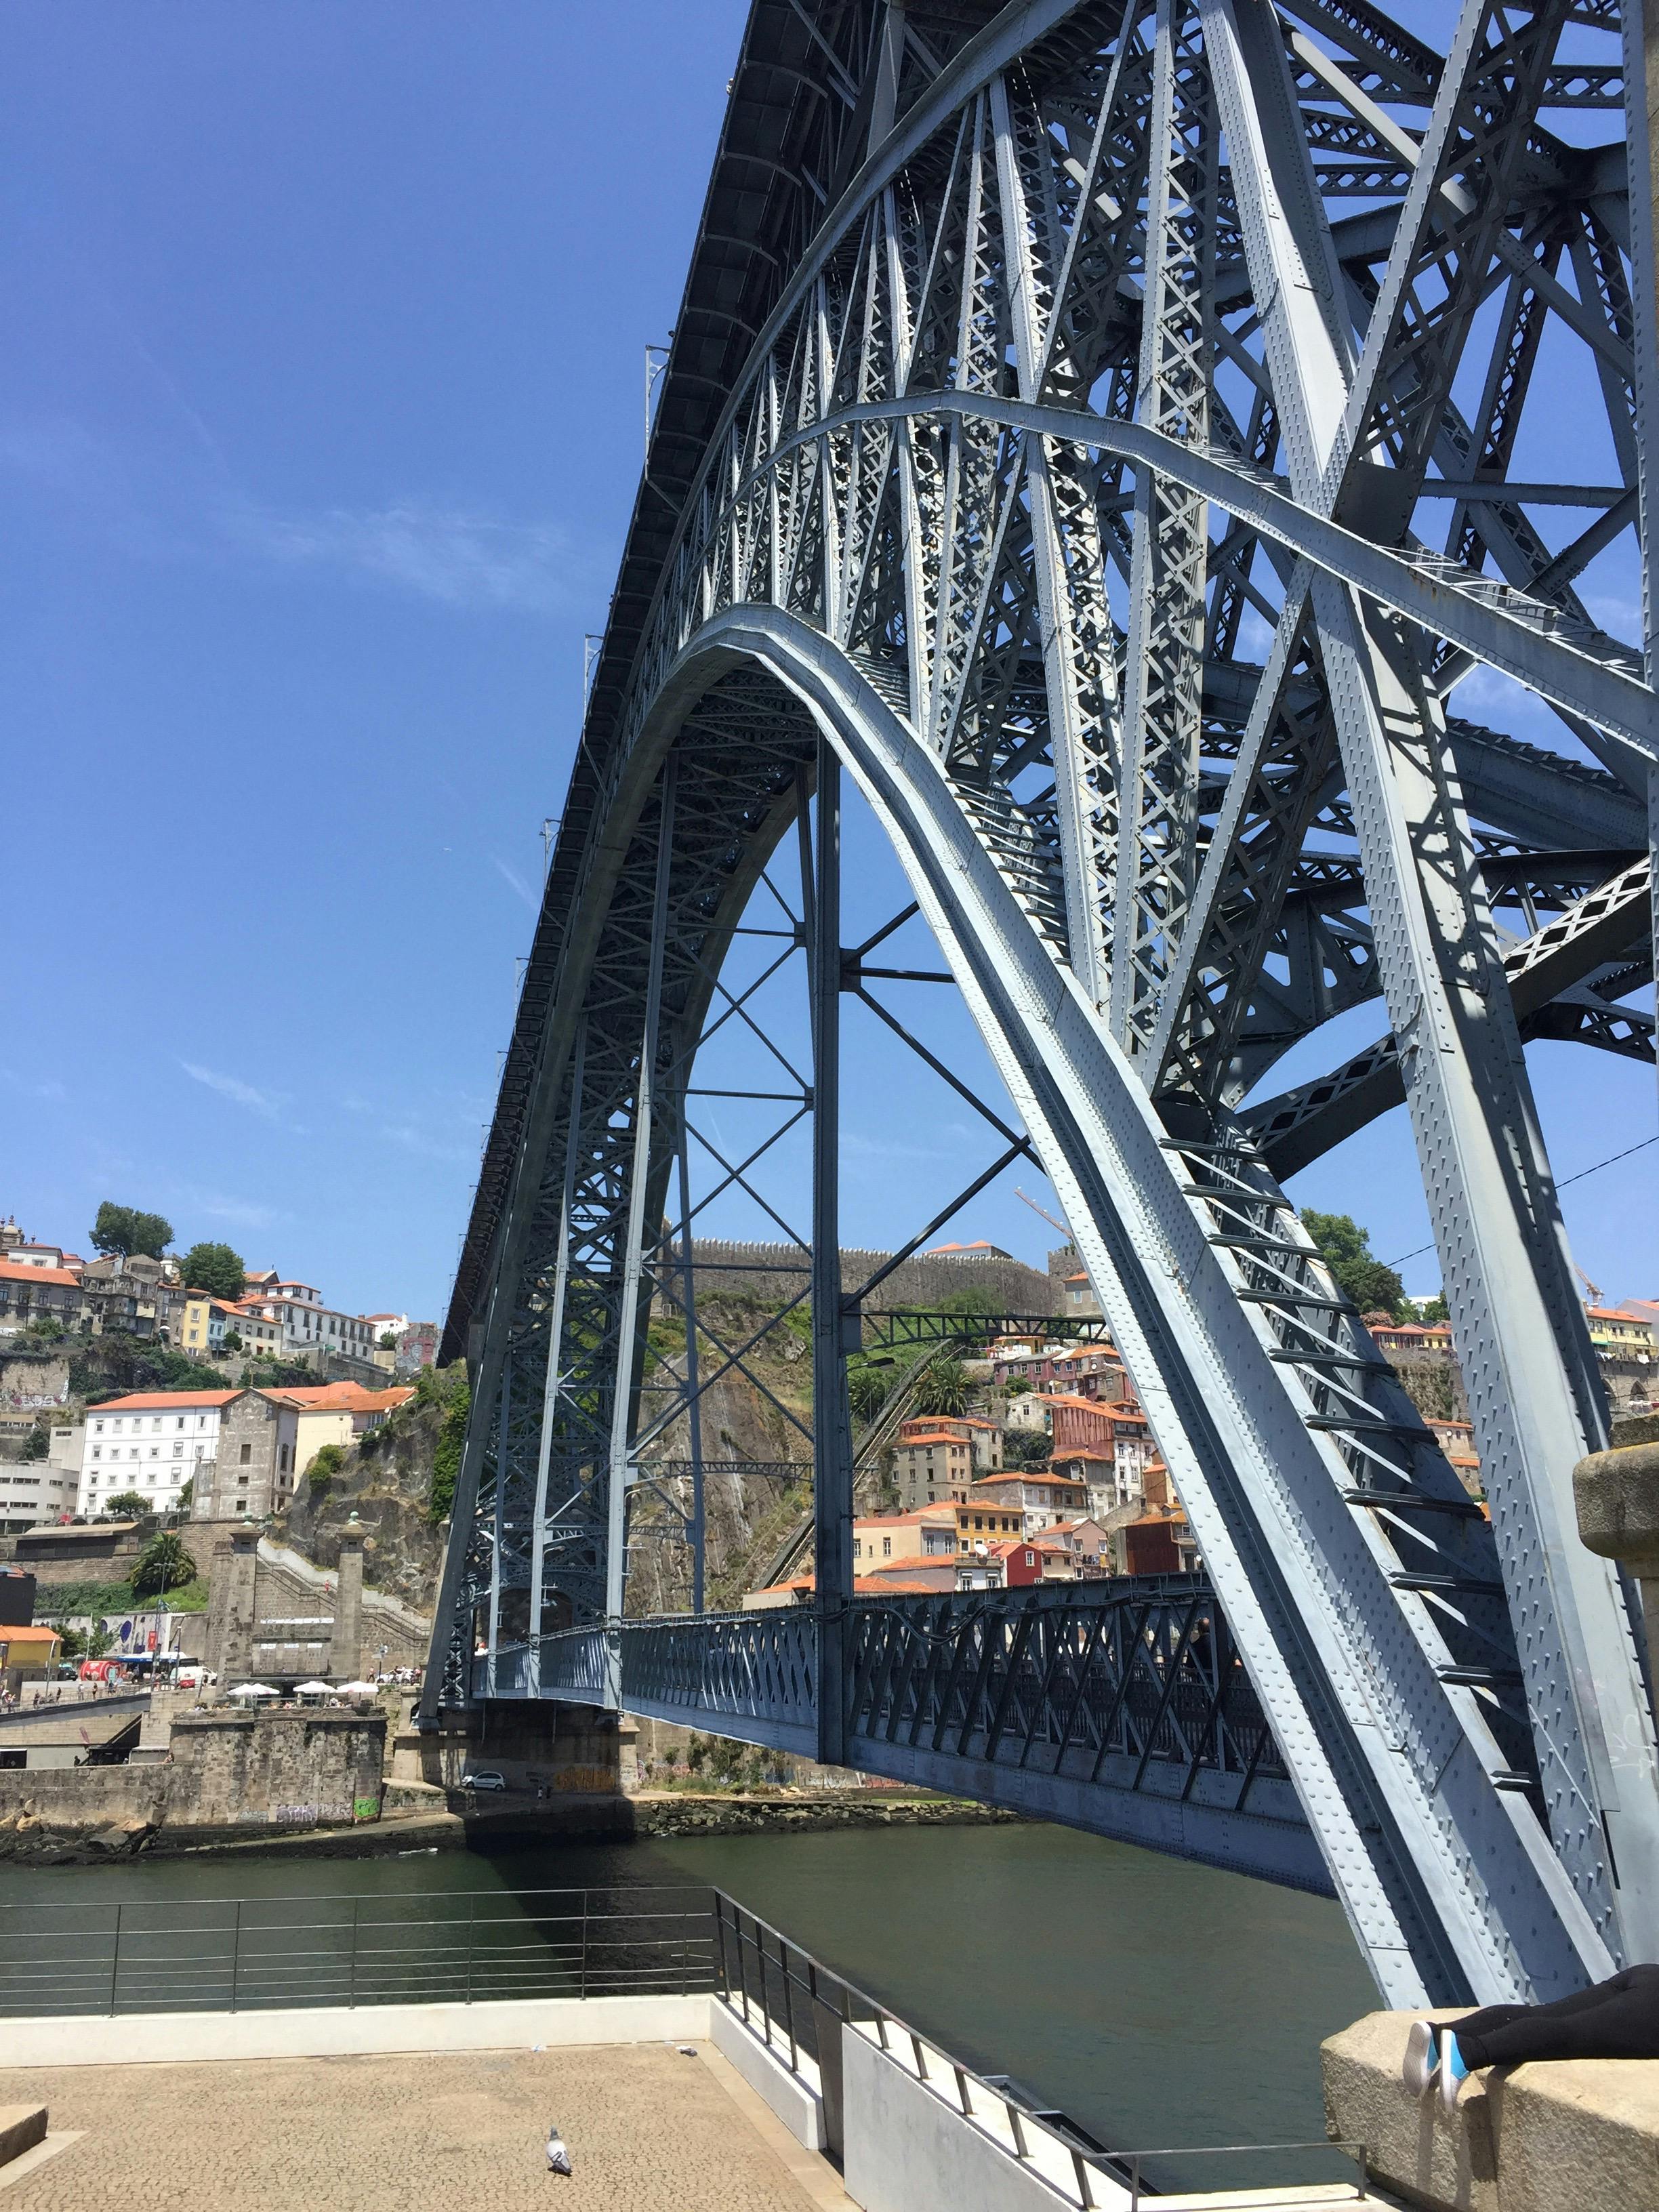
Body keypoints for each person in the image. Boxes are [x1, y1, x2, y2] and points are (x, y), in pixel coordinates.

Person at [1405, 1965, 1659, 2112]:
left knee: (1544, 2013)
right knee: (1574, 2034)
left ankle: (1439, 2036)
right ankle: (1468, 2051)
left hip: (1649, 1976)